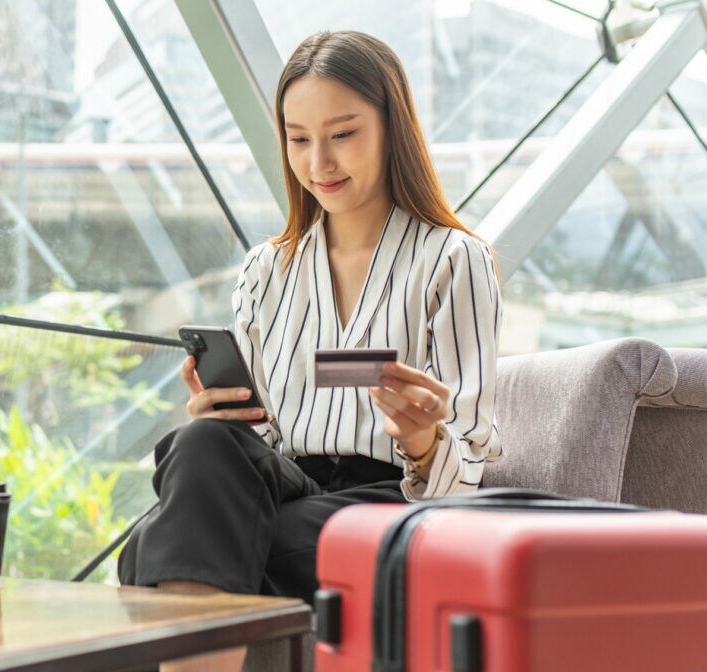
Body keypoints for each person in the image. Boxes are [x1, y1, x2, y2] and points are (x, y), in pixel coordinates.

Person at [118, 30, 502, 672]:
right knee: (201, 443)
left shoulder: (452, 261)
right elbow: (260, 446)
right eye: (299, 138)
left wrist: (424, 441)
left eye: (343, 133)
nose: (318, 160)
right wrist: (224, 420)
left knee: (159, 548)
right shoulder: (266, 271)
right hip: (285, 487)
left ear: (392, 127)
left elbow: (470, 466)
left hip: (391, 500)